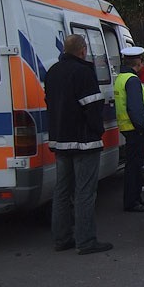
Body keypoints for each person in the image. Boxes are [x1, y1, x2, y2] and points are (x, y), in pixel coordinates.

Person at [44, 33, 113, 255]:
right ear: (82, 50)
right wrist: (98, 131)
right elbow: (92, 108)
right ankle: (86, 241)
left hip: (60, 140)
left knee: (62, 191)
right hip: (84, 142)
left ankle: (61, 238)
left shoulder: (53, 72)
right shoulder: (84, 72)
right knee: (84, 192)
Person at [116, 46, 144, 212]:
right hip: (136, 129)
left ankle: (135, 198)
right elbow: (135, 108)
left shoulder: (121, 78)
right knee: (135, 167)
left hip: (127, 128)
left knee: (132, 166)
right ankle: (132, 201)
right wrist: (142, 128)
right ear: (138, 62)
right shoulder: (132, 80)